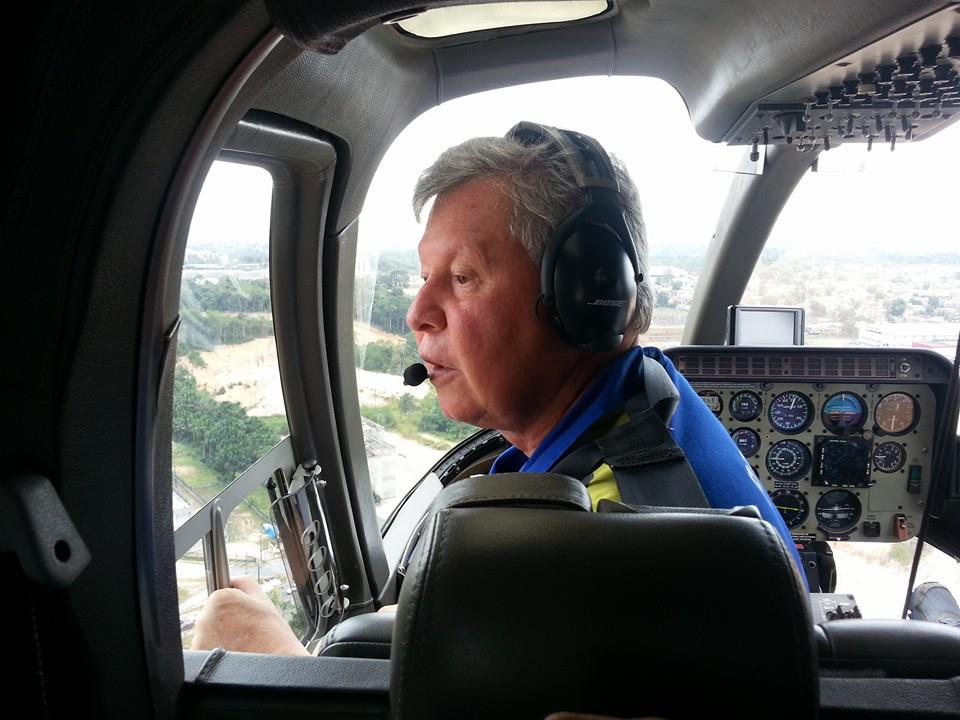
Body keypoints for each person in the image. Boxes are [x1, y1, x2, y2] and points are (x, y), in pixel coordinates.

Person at [191, 122, 804, 656]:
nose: (417, 313)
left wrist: (274, 658)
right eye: (424, 277)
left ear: (586, 296)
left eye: (462, 277)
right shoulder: (652, 399)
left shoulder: (595, 541)